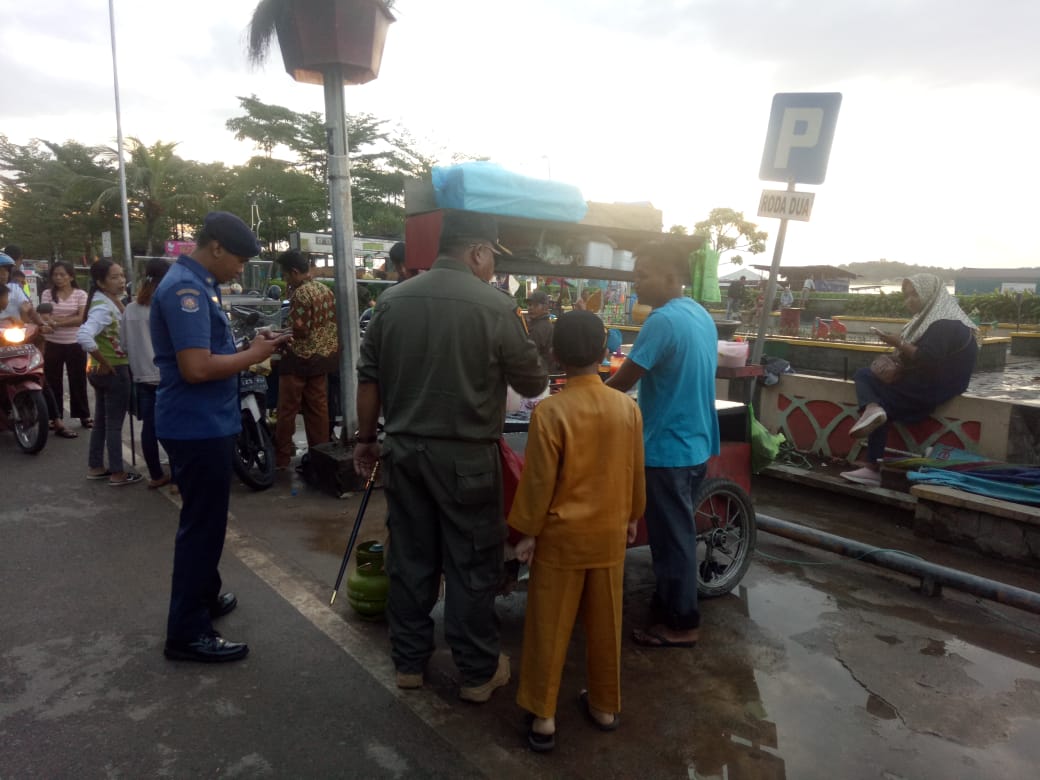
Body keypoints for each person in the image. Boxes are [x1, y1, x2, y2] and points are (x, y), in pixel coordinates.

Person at [353, 211, 547, 701]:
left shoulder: (391, 302)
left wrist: (365, 440)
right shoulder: (496, 306)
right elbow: (532, 383)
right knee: (471, 564)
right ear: (478, 252)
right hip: (467, 460)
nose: (491, 269)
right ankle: (478, 673)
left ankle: (409, 664)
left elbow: (369, 379)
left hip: (404, 454)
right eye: (491, 259)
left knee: (412, 558)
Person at [152, 211, 287, 663]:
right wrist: (253, 355)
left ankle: (204, 597)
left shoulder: (199, 285)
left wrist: (253, 344)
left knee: (206, 522)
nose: (240, 270)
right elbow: (196, 368)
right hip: (196, 424)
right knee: (202, 530)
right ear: (215, 248)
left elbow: (211, 351)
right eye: (239, 261)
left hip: (205, 421)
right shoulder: (186, 291)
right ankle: (187, 632)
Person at [508, 310, 645, 752]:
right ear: (605, 350)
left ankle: (544, 716)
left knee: (549, 624)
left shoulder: (551, 412)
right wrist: (631, 516)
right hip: (608, 534)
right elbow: (634, 472)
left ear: (555, 354)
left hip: (560, 539)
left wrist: (526, 533)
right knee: (606, 623)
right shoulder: (627, 408)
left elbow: (538, 482)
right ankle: (605, 706)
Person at [606, 241, 719, 649]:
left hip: (667, 448)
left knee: (673, 540)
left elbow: (623, 382)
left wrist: (582, 394)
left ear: (672, 277)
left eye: (643, 276)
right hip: (695, 443)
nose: (636, 284)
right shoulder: (699, 315)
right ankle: (667, 605)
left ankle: (682, 624)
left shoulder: (662, 321)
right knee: (677, 534)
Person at [841, 274, 978, 487]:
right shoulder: (932, 319)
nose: (910, 301)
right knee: (867, 379)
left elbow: (928, 358)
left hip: (933, 387)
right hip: (928, 381)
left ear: (930, 293)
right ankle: (872, 423)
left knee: (874, 393)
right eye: (906, 296)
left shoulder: (944, 322)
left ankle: (872, 464)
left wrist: (899, 342)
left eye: (916, 294)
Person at [273, 249, 338, 471]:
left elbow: (299, 330)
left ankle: (281, 459)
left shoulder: (301, 294)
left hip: (299, 360)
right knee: (318, 410)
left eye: (285, 275)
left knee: (287, 410)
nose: (285, 279)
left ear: (293, 272)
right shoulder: (324, 290)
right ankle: (320, 458)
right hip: (322, 360)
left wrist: (280, 333)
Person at [77, 260, 140, 485]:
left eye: (122, 275)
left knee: (103, 422)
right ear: (101, 282)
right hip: (114, 370)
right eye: (114, 277)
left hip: (101, 371)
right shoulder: (102, 307)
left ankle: (95, 466)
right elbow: (83, 335)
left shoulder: (104, 300)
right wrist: (104, 360)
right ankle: (117, 472)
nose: (121, 280)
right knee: (113, 424)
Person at [121, 258, 172, 489]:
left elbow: (123, 345)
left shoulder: (130, 309)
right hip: (166, 376)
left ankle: (156, 474)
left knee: (150, 428)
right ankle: (179, 479)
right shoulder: (165, 306)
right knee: (174, 428)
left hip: (141, 376)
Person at [41, 261, 92, 430]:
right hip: (53, 343)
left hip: (75, 343)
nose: (58, 278)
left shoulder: (80, 294)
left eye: (62, 274)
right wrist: (66, 320)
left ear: (71, 276)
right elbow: (45, 317)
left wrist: (57, 322)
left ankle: (83, 415)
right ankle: (54, 417)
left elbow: (81, 318)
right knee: (52, 381)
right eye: (55, 274)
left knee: (77, 380)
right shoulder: (47, 294)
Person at [524, 289, 555, 371]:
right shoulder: (545, 324)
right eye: (529, 305)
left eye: (535, 305)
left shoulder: (539, 328)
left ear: (545, 308)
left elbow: (528, 356)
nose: (530, 308)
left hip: (537, 374)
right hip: (543, 371)